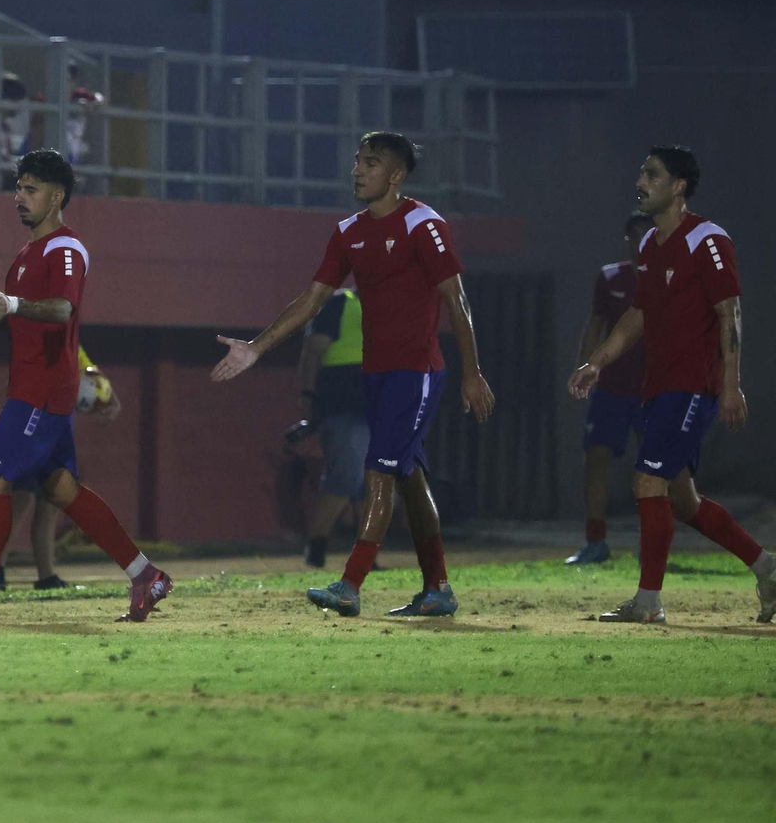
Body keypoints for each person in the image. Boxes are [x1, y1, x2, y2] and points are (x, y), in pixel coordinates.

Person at [212, 131, 495, 619]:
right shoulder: (348, 231)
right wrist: (258, 346)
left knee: (378, 473)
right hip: (376, 376)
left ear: (397, 175)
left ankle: (350, 583)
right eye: (357, 161)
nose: (357, 170)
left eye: (371, 162)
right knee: (409, 480)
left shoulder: (424, 223)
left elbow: (457, 299)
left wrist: (472, 372)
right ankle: (438, 589)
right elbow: (312, 298)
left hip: (417, 373)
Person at [0, 149, 173, 624]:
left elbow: (62, 310)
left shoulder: (65, 249)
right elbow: (32, 314)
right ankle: (146, 576)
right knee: (61, 490)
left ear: (57, 195)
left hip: (43, 390)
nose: (19, 197)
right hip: (37, 386)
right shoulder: (28, 252)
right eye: (18, 187)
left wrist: (13, 304)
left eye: (30, 189)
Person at [569, 145, 776, 624]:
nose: (640, 181)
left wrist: (730, 385)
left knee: (646, 481)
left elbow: (731, 313)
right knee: (682, 501)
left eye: (652, 174)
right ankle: (766, 566)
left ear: (678, 186)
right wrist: (596, 362)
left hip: (691, 387)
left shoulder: (707, 238)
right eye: (641, 172)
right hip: (657, 387)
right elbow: (636, 315)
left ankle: (648, 602)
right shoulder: (649, 246)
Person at [0, 344, 121, 591]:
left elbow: (91, 373)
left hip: (56, 436)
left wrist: (111, 400)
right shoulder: (40, 340)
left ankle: (46, 576)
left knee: (48, 506)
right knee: (20, 501)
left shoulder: (70, 343)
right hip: (33, 432)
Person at [565, 211, 653, 565]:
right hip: (612, 387)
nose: (639, 243)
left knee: (656, 469)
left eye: (646, 235)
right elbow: (596, 323)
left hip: (654, 391)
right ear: (627, 239)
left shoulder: (669, 278)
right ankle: (596, 541)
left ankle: (653, 545)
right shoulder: (611, 277)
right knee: (596, 458)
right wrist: (584, 368)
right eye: (634, 235)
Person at [296, 287, 372, 569]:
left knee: (371, 485)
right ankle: (316, 548)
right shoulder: (341, 302)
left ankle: (366, 555)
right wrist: (307, 394)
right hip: (343, 406)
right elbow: (313, 348)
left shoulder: (389, 304)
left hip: (376, 409)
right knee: (345, 479)